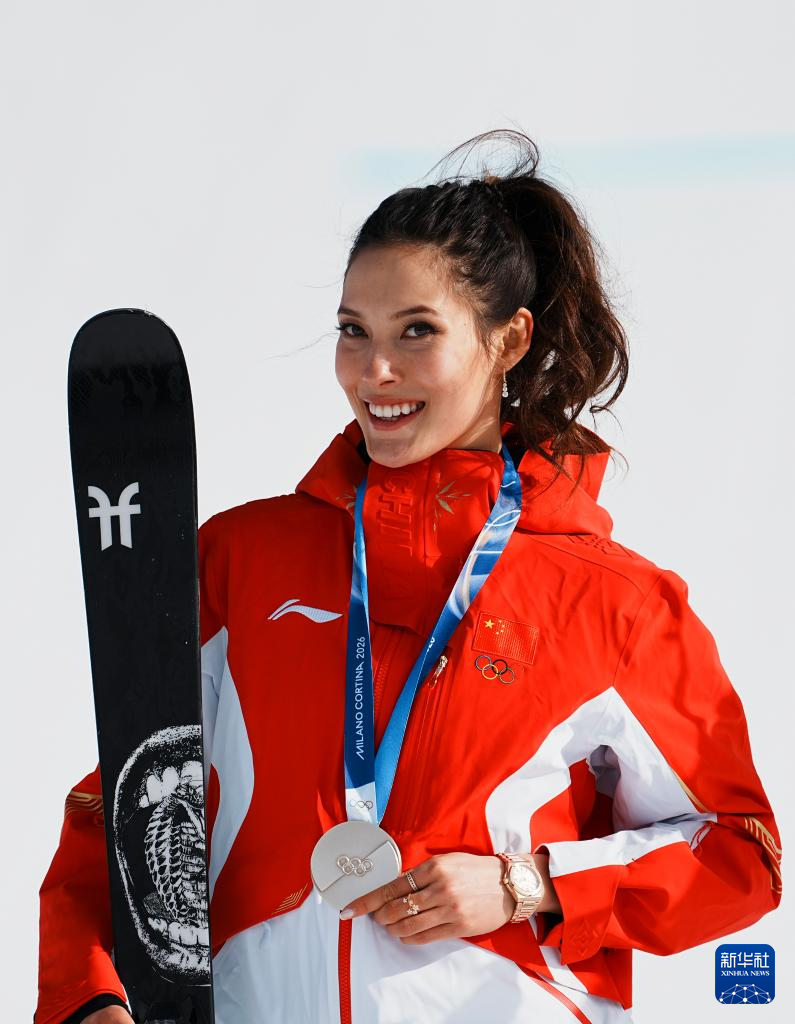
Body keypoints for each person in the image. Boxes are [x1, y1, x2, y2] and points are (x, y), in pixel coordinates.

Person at [36, 129, 782, 1024]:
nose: (374, 371)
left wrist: (528, 884)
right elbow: (124, 802)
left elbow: (738, 855)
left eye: (416, 331)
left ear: (508, 341)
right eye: (353, 331)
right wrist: (88, 997)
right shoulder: (242, 561)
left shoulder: (613, 604)